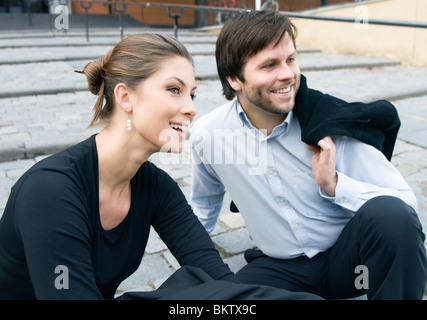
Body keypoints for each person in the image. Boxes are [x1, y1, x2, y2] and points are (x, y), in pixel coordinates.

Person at [190, 10, 427, 299]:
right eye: (270, 65)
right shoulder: (208, 135)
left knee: (392, 217)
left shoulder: (329, 123)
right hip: (280, 270)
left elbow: (404, 205)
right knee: (225, 300)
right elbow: (204, 206)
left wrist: (335, 185)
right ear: (234, 79)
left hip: (352, 267)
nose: (288, 74)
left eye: (291, 59)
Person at [0, 33, 237, 300]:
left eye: (192, 94)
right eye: (174, 89)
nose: (192, 108)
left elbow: (220, 280)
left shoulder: (156, 187)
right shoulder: (49, 191)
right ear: (125, 97)